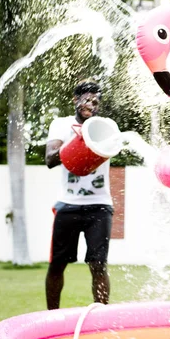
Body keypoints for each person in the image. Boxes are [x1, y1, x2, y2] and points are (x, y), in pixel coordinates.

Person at [44, 80, 114, 310]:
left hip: (100, 205)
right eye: (86, 99)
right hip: (68, 204)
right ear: (76, 100)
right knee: (57, 265)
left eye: (95, 101)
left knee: (98, 264)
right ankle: (52, 316)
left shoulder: (105, 125)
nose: (90, 104)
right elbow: (50, 160)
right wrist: (78, 140)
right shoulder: (61, 125)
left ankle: (102, 316)